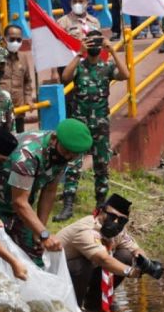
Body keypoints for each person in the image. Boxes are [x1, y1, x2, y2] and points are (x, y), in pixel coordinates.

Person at [0, 118, 93, 312]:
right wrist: (43, 233)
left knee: (35, 257)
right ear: (54, 140)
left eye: (74, 155)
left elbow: (49, 191)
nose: (70, 157)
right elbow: (19, 202)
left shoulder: (62, 155)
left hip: (21, 205)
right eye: (68, 152)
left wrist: (39, 231)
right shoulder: (28, 155)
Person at [56, 31, 130, 221]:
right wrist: (79, 53)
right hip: (80, 124)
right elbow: (65, 77)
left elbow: (125, 75)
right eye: (91, 42)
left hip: (100, 125)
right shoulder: (79, 67)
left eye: (97, 42)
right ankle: (68, 205)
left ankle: (100, 206)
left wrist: (112, 51)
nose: (94, 45)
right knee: (73, 165)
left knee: (101, 166)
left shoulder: (106, 67)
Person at [57, 193, 163, 311]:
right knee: (82, 264)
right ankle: (74, 309)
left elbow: (135, 249)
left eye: (122, 221)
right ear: (101, 211)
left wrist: (144, 261)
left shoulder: (119, 231)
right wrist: (130, 271)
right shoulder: (86, 229)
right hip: (57, 277)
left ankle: (95, 302)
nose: (116, 223)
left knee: (125, 256)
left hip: (82, 275)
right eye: (112, 217)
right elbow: (103, 259)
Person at [2, 24, 38, 133]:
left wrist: (28, 99)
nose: (15, 42)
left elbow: (27, 81)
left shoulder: (23, 57)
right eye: (12, 39)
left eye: (19, 39)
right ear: (5, 39)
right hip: (1, 110)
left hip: (19, 110)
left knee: (19, 140)